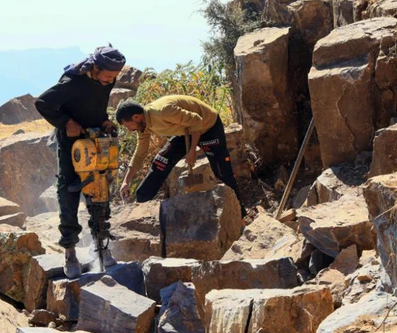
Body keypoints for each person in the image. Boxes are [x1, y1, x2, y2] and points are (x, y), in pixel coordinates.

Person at [34, 45, 126, 278]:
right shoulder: (72, 81)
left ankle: (101, 248)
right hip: (70, 143)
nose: (110, 82)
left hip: (96, 139)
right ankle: (70, 251)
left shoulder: (106, 78)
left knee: (100, 189)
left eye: (113, 78)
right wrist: (66, 122)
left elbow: (96, 104)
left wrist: (104, 120)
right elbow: (43, 103)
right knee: (69, 191)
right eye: (107, 77)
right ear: (95, 68)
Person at [115, 95, 246, 217]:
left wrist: (192, 150)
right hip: (185, 132)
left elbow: (197, 121)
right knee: (160, 162)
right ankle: (141, 204)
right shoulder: (143, 126)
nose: (129, 130)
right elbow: (140, 154)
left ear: (136, 117)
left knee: (222, 171)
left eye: (128, 126)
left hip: (208, 127)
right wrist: (126, 181)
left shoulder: (163, 111)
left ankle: (240, 215)